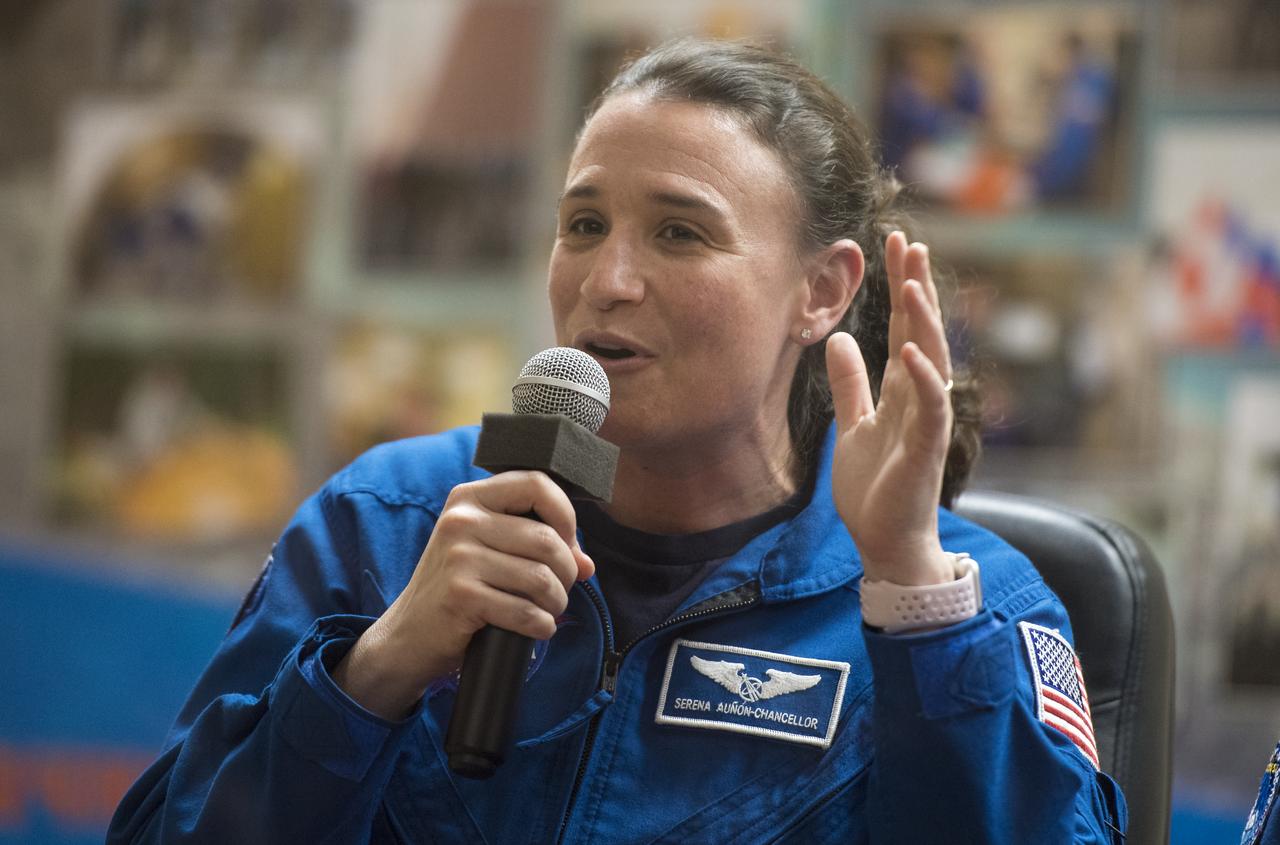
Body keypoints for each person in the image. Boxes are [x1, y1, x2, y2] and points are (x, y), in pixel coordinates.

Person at [108, 38, 1127, 844]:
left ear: (819, 291)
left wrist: (910, 595)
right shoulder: (384, 522)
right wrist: (371, 673)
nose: (607, 281)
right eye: (583, 224)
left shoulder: (958, 599)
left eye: (679, 232)